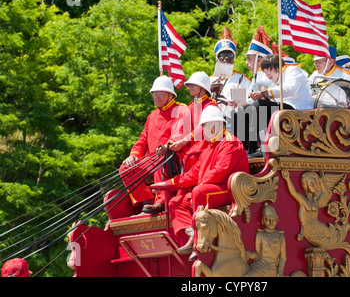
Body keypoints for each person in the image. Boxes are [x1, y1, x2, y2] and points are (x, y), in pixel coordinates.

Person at [151, 105, 249, 257]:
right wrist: (165, 185)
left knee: (198, 191)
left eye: (208, 125)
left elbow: (219, 173)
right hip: (210, 188)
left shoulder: (230, 143)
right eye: (204, 126)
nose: (206, 129)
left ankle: (199, 242)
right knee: (175, 203)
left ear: (219, 125)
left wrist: (199, 188)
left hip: (230, 190)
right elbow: (193, 174)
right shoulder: (209, 146)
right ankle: (191, 234)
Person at [119, 75, 189, 214]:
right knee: (125, 168)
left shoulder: (182, 109)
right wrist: (133, 155)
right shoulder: (152, 116)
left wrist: (167, 146)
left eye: (160, 94)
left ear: (170, 95)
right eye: (154, 94)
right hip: (151, 160)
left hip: (174, 158)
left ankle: (162, 201)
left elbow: (180, 132)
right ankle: (147, 202)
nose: (156, 97)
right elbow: (142, 140)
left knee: (160, 159)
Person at [244, 54, 313, 157]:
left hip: (298, 110)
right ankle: (249, 149)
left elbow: (290, 89)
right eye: (264, 72)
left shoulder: (293, 71)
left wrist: (265, 93)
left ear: (276, 67)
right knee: (244, 109)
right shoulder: (274, 79)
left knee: (260, 105)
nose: (267, 75)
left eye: (268, 71)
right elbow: (268, 95)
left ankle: (264, 149)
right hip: (282, 107)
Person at [210, 27, 251, 124]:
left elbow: (246, 104)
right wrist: (211, 93)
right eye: (223, 55)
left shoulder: (242, 79)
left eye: (230, 54)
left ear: (234, 57)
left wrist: (231, 104)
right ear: (217, 58)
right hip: (212, 119)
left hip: (234, 121)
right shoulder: (209, 80)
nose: (227, 57)